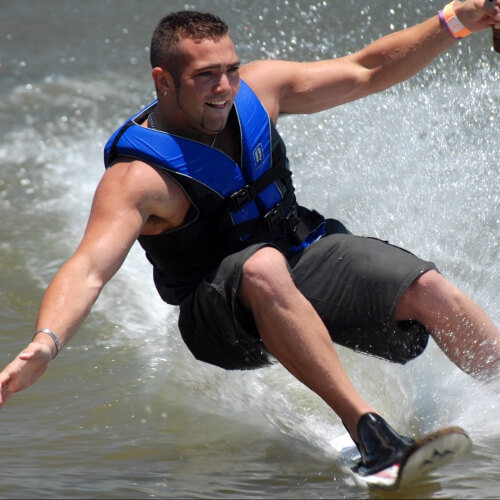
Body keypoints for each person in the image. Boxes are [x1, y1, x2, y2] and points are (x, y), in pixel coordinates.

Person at [1, 0, 499, 476]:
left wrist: (454, 21)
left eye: (230, 70)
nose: (223, 87)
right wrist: (46, 343)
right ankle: (375, 440)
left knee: (426, 287)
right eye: (204, 76)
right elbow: (88, 268)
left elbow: (366, 69)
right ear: (164, 81)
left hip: (299, 261)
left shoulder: (257, 91)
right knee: (261, 267)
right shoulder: (139, 179)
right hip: (220, 317)